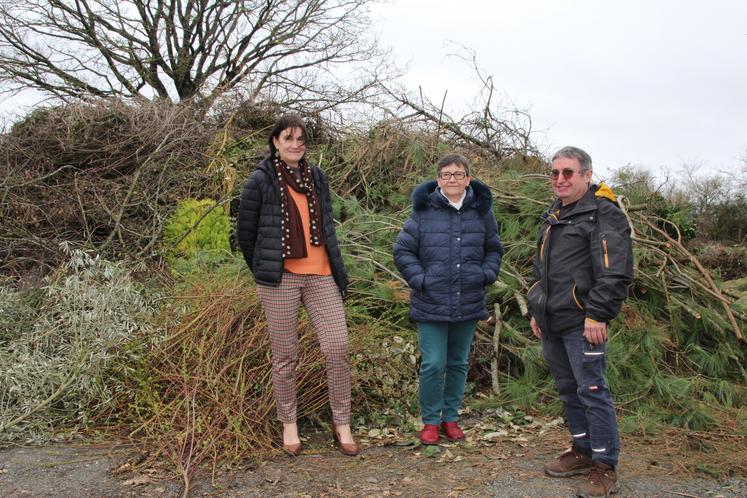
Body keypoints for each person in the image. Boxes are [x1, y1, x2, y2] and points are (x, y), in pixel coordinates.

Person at [236, 115, 358, 457]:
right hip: (280, 279)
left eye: (301, 139)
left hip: (321, 275)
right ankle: (288, 422)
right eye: (288, 138)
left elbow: (327, 227)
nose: (295, 144)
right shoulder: (260, 180)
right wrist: (266, 269)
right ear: (275, 141)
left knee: (337, 348)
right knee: (285, 355)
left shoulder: (317, 176)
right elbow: (245, 234)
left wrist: (335, 268)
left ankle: (342, 421)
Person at [527, 146, 633, 497]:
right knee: (568, 389)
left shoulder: (602, 214)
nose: (560, 179)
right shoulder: (556, 213)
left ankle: (605, 465)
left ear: (587, 175)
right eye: (555, 173)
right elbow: (541, 270)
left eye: (568, 173)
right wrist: (537, 310)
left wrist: (597, 314)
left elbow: (614, 271)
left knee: (591, 390)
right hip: (553, 320)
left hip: (583, 323)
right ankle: (583, 451)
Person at [393, 153, 503, 445]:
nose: (452, 179)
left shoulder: (482, 213)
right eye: (446, 174)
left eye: (458, 174)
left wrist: (486, 274)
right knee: (433, 363)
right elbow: (402, 250)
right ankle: (430, 421)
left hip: (468, 301)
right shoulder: (423, 212)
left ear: (468, 179)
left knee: (457, 363)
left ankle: (450, 418)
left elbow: (494, 249)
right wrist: (420, 279)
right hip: (431, 302)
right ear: (438, 179)